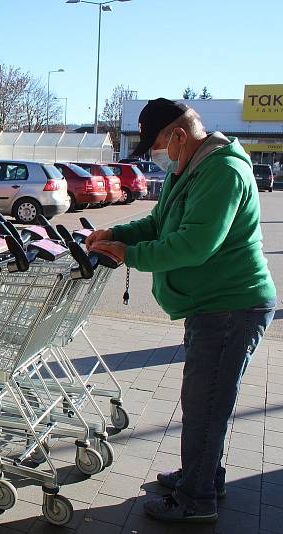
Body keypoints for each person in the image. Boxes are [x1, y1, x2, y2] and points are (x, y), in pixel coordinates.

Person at [86, 98, 276, 523]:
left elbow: (195, 244)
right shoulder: (189, 167)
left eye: (156, 147)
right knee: (205, 402)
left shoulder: (222, 171)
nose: (157, 157)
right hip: (211, 305)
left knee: (205, 403)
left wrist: (128, 254)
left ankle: (196, 500)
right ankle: (204, 475)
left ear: (178, 136)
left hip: (232, 305)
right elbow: (158, 223)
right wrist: (116, 231)